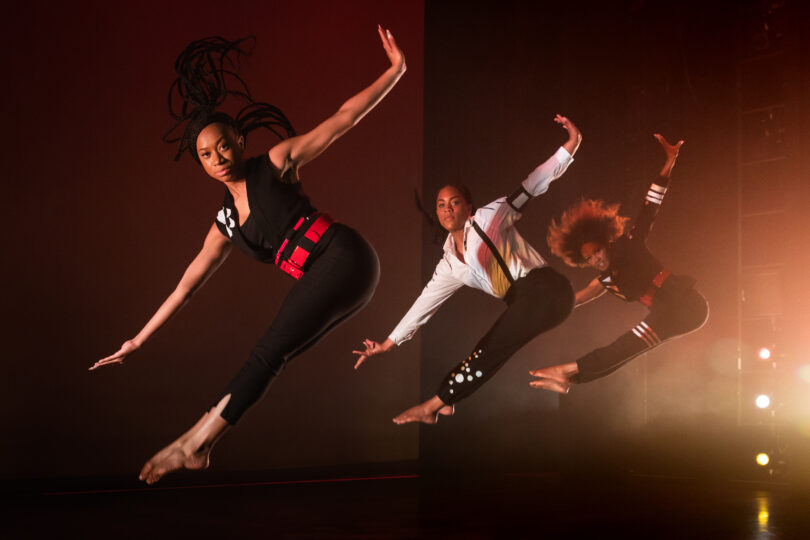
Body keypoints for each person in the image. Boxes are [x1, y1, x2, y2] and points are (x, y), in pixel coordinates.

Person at [89, 26, 406, 484]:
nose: (217, 156)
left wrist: (395, 72)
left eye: (222, 145)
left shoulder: (276, 164)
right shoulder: (224, 226)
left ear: (238, 140)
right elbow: (185, 287)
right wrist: (138, 341)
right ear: (199, 164)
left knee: (266, 352)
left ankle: (195, 444)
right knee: (272, 357)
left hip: (343, 257)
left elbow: (343, 119)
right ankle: (198, 442)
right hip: (331, 276)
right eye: (205, 154)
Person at [353, 115, 582, 424]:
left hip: (547, 290)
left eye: (455, 202)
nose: (447, 209)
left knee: (490, 348)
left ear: (469, 207)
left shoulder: (490, 217)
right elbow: (424, 304)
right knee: (494, 350)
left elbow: (532, 184)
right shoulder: (449, 264)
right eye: (440, 204)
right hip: (532, 304)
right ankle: (445, 402)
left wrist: (569, 147)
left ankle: (436, 404)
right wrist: (388, 343)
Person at [529, 134, 708, 394]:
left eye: (597, 252)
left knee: (626, 345)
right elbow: (577, 298)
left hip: (686, 304)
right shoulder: (604, 281)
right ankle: (571, 379)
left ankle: (568, 371)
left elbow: (651, 207)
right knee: (627, 352)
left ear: (606, 244)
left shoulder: (630, 245)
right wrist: (541, 313)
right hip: (672, 316)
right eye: (589, 259)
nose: (596, 260)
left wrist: (669, 161)